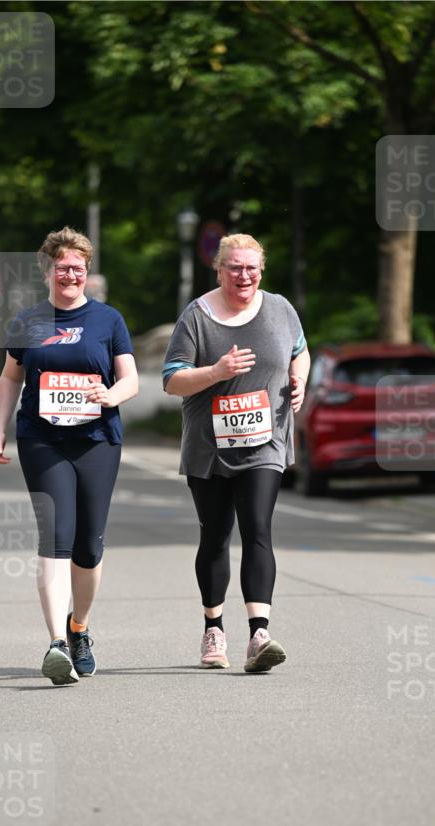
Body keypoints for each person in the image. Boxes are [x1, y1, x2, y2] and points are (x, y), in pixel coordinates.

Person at [0, 226, 138, 685]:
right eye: (62, 267)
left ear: (87, 272)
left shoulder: (108, 320)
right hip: (42, 438)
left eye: (77, 267)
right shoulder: (28, 320)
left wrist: (111, 397)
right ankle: (56, 644)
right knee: (55, 536)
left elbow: (130, 378)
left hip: (96, 440)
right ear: (48, 272)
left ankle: (79, 628)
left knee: (88, 546)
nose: (70, 274)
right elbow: (11, 377)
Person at [163, 233, 310, 672]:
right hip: (210, 447)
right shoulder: (198, 316)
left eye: (250, 268)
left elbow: (301, 352)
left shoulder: (280, 310)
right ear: (219, 268)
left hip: (264, 442)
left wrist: (299, 378)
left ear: (260, 269)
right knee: (215, 537)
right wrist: (216, 371)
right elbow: (172, 379)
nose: (243, 275)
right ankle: (214, 629)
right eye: (234, 268)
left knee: (257, 529)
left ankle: (259, 633)